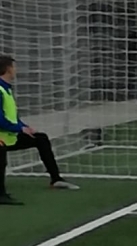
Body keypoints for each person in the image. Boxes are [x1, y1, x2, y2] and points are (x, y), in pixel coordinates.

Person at [0, 55, 79, 204]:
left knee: (40, 138)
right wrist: (19, 128)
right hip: (3, 137)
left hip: (9, 136)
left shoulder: (6, 89)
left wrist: (24, 126)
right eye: (14, 67)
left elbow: (10, 116)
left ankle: (56, 179)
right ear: (8, 69)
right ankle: (1, 194)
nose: (16, 70)